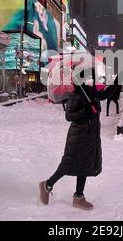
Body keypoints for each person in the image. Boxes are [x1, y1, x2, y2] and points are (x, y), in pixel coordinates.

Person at [39, 69, 108, 210]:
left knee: (85, 166)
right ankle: (47, 185)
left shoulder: (92, 93)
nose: (92, 82)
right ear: (82, 80)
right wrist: (87, 110)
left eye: (93, 79)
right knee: (68, 164)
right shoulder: (76, 94)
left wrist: (117, 82)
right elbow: (69, 116)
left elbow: (104, 95)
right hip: (78, 136)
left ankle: (78, 197)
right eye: (89, 79)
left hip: (90, 135)